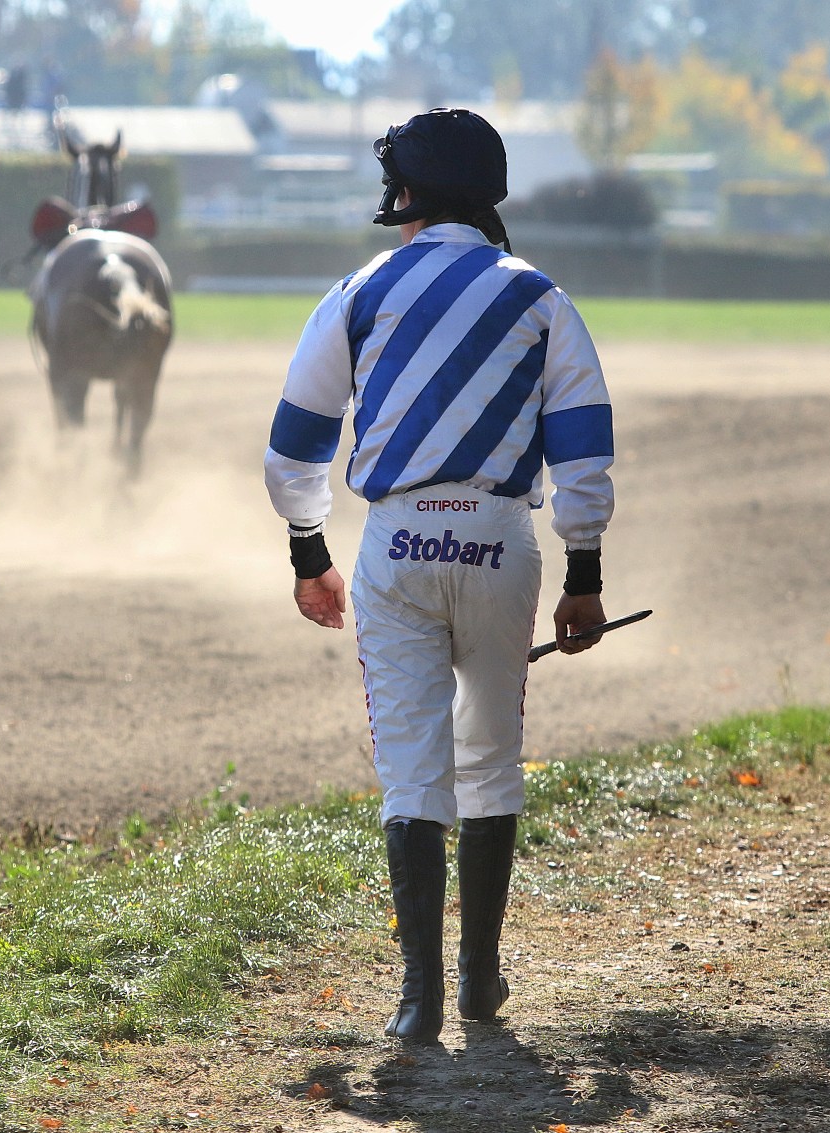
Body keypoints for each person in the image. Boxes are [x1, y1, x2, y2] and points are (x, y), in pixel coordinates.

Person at [263, 108, 615, 1043]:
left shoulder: (360, 289)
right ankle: (480, 980)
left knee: (412, 770)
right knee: (491, 757)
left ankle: (417, 998)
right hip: (502, 546)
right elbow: (583, 450)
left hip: (397, 547)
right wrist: (584, 572)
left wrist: (309, 553)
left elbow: (295, 445)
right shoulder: (539, 295)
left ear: (407, 193)